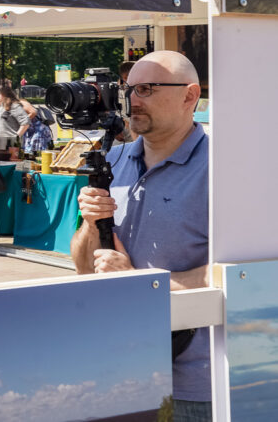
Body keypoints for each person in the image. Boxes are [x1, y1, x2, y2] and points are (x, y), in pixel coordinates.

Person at [70, 51, 209, 419]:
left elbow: (242, 272)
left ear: (189, 95)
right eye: (128, 89)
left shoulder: (222, 167)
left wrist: (142, 284)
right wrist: (89, 223)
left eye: (147, 89)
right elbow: (85, 269)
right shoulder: (110, 162)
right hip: (123, 371)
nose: (132, 100)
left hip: (197, 384)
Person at [0, 86, 30, 152]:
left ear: (5, 95)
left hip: (11, 144)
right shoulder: (1, 106)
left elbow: (26, 122)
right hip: (1, 142)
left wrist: (16, 138)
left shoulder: (14, 106)